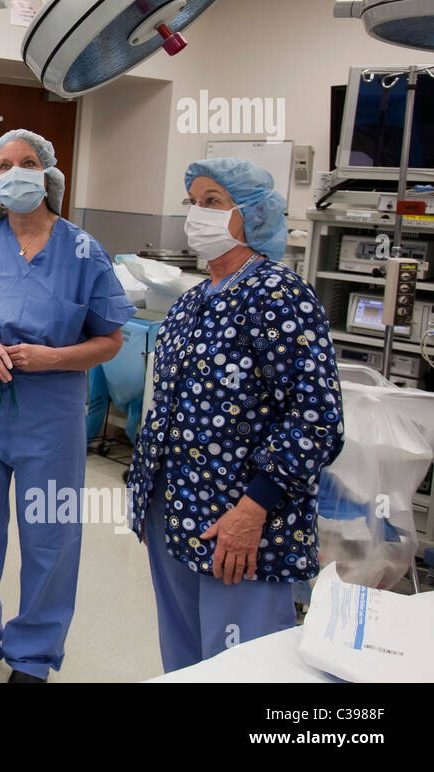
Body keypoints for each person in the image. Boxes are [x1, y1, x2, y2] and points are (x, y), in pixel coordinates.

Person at [0, 129, 134, 683]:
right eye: (3, 165)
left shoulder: (83, 250)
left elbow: (112, 339)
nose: (14, 172)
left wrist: (54, 357)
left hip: (51, 416)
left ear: (48, 174)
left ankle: (35, 654)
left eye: (25, 162)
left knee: (49, 533)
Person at [128, 157, 343, 672]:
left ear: (253, 215)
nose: (197, 214)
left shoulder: (279, 294)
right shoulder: (191, 301)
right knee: (184, 659)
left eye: (213, 203)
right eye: (192, 203)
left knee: (241, 665)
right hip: (171, 508)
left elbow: (317, 417)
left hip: (240, 520)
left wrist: (253, 509)